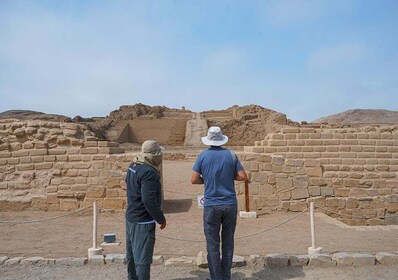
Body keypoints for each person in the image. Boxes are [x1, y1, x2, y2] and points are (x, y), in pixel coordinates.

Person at [191, 126, 249, 280]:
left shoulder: (202, 156)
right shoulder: (231, 155)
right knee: (228, 242)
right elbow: (243, 176)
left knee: (213, 244)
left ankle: (216, 277)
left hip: (211, 205)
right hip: (230, 204)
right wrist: (230, 177)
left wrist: (207, 180)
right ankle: (226, 276)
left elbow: (194, 179)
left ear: (208, 140)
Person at [125, 140, 166, 280]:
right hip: (143, 220)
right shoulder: (148, 172)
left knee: (131, 255)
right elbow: (148, 200)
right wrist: (160, 218)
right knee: (142, 259)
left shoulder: (133, 165)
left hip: (131, 217)